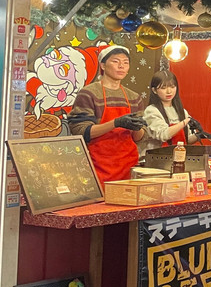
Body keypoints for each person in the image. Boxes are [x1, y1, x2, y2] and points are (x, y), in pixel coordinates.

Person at [68, 44, 147, 184]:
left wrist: (137, 127)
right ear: (103, 66)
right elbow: (80, 131)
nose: (121, 66)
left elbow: (140, 138)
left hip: (128, 166)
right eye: (115, 61)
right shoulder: (89, 93)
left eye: (125, 63)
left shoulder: (134, 97)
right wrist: (116, 123)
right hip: (97, 165)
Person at [141, 70, 200, 154]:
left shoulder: (182, 111)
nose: (169, 91)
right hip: (156, 159)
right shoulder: (151, 111)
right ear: (154, 90)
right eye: (163, 88)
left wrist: (198, 136)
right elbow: (164, 135)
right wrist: (184, 122)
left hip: (177, 157)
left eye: (172, 87)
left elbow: (186, 140)